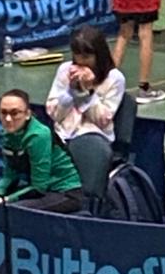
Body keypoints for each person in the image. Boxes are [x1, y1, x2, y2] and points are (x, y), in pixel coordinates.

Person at [46, 25, 127, 198]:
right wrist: (70, 92)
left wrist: (88, 93)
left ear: (99, 54)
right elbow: (54, 113)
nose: (81, 61)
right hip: (62, 138)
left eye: (87, 56)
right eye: (77, 55)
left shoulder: (115, 79)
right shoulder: (64, 70)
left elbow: (103, 120)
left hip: (94, 140)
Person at [0, 89, 85, 212]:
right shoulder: (8, 135)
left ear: (27, 114)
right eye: (3, 113)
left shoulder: (38, 136)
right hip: (41, 190)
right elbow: (10, 174)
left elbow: (39, 187)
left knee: (12, 211)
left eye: (15, 113)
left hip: (65, 192)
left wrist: (7, 199)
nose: (8, 118)